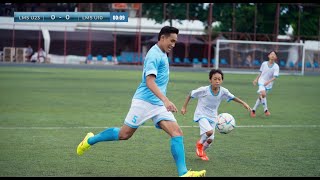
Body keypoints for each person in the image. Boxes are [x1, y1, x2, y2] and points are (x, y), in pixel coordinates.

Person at [76, 26, 206, 177]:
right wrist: (165, 100)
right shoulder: (154, 55)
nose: (173, 44)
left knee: (177, 133)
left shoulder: (163, 53)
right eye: (171, 41)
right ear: (162, 38)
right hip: (143, 102)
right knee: (124, 134)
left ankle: (183, 173)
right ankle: (90, 140)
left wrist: (162, 101)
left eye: (175, 42)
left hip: (157, 104)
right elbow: (150, 81)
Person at [181, 69, 251, 161]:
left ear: (222, 80)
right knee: (209, 132)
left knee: (210, 140)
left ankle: (202, 152)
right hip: (201, 114)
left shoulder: (223, 91)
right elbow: (191, 94)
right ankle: (199, 144)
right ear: (210, 80)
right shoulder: (204, 90)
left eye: (219, 79)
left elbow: (233, 97)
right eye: (215, 79)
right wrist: (184, 107)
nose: (217, 81)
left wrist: (243, 103)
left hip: (213, 117)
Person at [250, 51, 279, 117]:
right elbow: (260, 73)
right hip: (261, 81)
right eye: (271, 54)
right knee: (263, 94)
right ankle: (266, 110)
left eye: (274, 55)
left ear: (276, 57)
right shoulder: (264, 64)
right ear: (268, 56)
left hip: (269, 84)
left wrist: (268, 82)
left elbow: (275, 77)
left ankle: (253, 110)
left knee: (261, 97)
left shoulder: (276, 66)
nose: (272, 55)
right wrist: (256, 79)